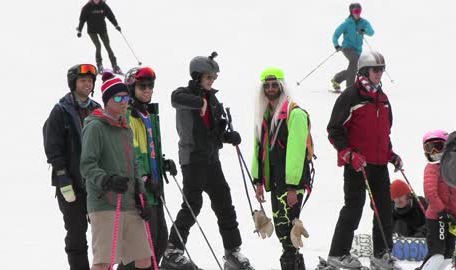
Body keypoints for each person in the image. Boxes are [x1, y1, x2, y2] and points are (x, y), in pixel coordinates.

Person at [161, 52, 254, 270]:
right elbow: (175, 99)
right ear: (196, 76)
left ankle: (232, 252)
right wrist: (198, 101)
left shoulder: (213, 99)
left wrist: (227, 137)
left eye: (213, 78)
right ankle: (172, 249)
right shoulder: (185, 94)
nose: (211, 81)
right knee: (193, 204)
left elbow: (214, 131)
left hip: (212, 159)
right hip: (192, 159)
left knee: (224, 203)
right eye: (208, 77)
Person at [326, 50, 402, 270]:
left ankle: (381, 255)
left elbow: (383, 134)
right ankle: (338, 254)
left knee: (384, 209)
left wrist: (391, 155)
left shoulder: (383, 99)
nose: (379, 74)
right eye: (375, 70)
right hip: (357, 165)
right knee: (354, 208)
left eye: (381, 70)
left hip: (378, 164)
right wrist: (348, 154)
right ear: (364, 71)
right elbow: (334, 130)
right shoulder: (351, 96)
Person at [80, 72, 153, 270]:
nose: (124, 102)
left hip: (129, 201)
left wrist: (141, 196)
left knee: (144, 258)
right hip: (105, 202)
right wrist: (107, 181)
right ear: (107, 101)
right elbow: (87, 165)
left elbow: (135, 165)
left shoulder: (125, 127)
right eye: (119, 98)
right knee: (104, 262)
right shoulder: (95, 127)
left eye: (126, 97)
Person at [116, 67, 178, 270]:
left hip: (155, 188)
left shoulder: (148, 114)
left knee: (160, 240)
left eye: (151, 85)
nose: (148, 90)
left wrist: (162, 162)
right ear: (131, 87)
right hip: (139, 191)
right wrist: (143, 177)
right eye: (142, 86)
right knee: (142, 246)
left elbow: (148, 149)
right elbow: (130, 153)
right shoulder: (127, 116)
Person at [251, 67, 312, 270]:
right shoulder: (265, 116)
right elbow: (259, 152)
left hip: (292, 184)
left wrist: (293, 188)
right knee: (283, 232)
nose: (270, 88)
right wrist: (258, 181)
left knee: (289, 232)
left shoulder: (295, 114)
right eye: (266, 85)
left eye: (274, 84)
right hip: (276, 182)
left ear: (282, 86)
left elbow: (296, 154)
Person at [44, 64, 100, 270]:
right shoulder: (61, 111)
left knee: (103, 233)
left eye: (90, 80)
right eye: (83, 80)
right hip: (71, 184)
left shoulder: (97, 109)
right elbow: (53, 148)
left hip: (95, 183)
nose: (88, 83)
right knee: (77, 234)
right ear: (73, 83)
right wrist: (63, 178)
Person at [420, 130, 456, 270]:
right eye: (429, 148)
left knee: (447, 256)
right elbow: (430, 193)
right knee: (437, 254)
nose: (433, 152)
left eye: (437, 146)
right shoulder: (432, 168)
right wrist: (442, 212)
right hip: (437, 217)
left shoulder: (451, 168)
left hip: (450, 217)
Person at [331, 3, 374, 92]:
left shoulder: (364, 22)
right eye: (355, 11)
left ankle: (336, 79)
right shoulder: (346, 23)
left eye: (359, 11)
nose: (357, 13)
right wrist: (336, 45)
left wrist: (364, 30)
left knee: (353, 68)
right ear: (351, 12)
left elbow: (371, 32)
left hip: (358, 50)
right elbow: (335, 35)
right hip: (347, 47)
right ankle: (350, 88)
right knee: (354, 62)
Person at [76, 0, 123, 74]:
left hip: (102, 29)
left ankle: (114, 65)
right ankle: (99, 64)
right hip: (92, 31)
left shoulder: (103, 5)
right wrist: (79, 30)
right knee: (98, 46)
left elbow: (111, 16)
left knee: (107, 45)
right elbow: (82, 20)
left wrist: (116, 25)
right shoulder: (87, 7)